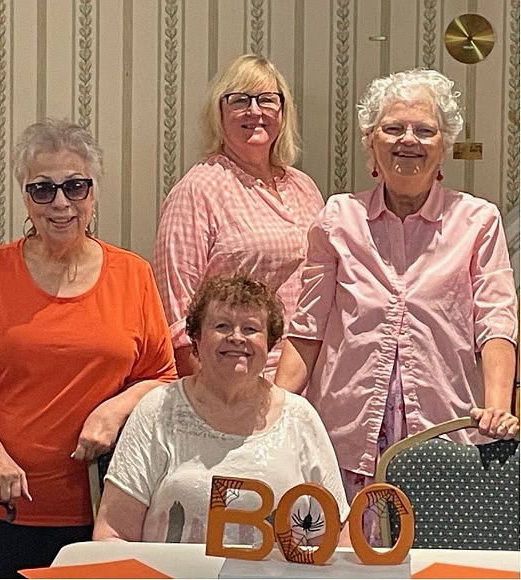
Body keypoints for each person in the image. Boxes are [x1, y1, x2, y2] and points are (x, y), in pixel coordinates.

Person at [274, 68, 519, 543]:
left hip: (442, 436)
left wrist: (496, 408)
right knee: (342, 564)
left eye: (424, 130)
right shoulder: (337, 218)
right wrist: (275, 411)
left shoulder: (478, 221)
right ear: (371, 142)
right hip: (344, 436)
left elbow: (496, 323)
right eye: (393, 128)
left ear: (443, 145)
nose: (408, 140)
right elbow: (308, 328)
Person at [0, 118, 177, 578]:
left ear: (94, 192)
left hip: (91, 509)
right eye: (43, 190)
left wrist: (115, 408)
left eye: (75, 186)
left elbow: (161, 376)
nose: (61, 203)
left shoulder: (133, 274)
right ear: (26, 197)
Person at [92, 273, 350, 546]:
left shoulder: (300, 416)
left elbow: (339, 540)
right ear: (197, 340)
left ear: (269, 343)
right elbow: (113, 534)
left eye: (251, 329)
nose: (237, 338)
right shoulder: (158, 409)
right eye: (223, 326)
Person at [152, 53, 325, 381]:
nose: (255, 111)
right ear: (219, 112)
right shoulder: (198, 190)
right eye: (240, 100)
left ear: (283, 110)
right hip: (235, 384)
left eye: (267, 100)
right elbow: (177, 318)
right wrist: (214, 400)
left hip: (309, 379)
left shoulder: (304, 187)